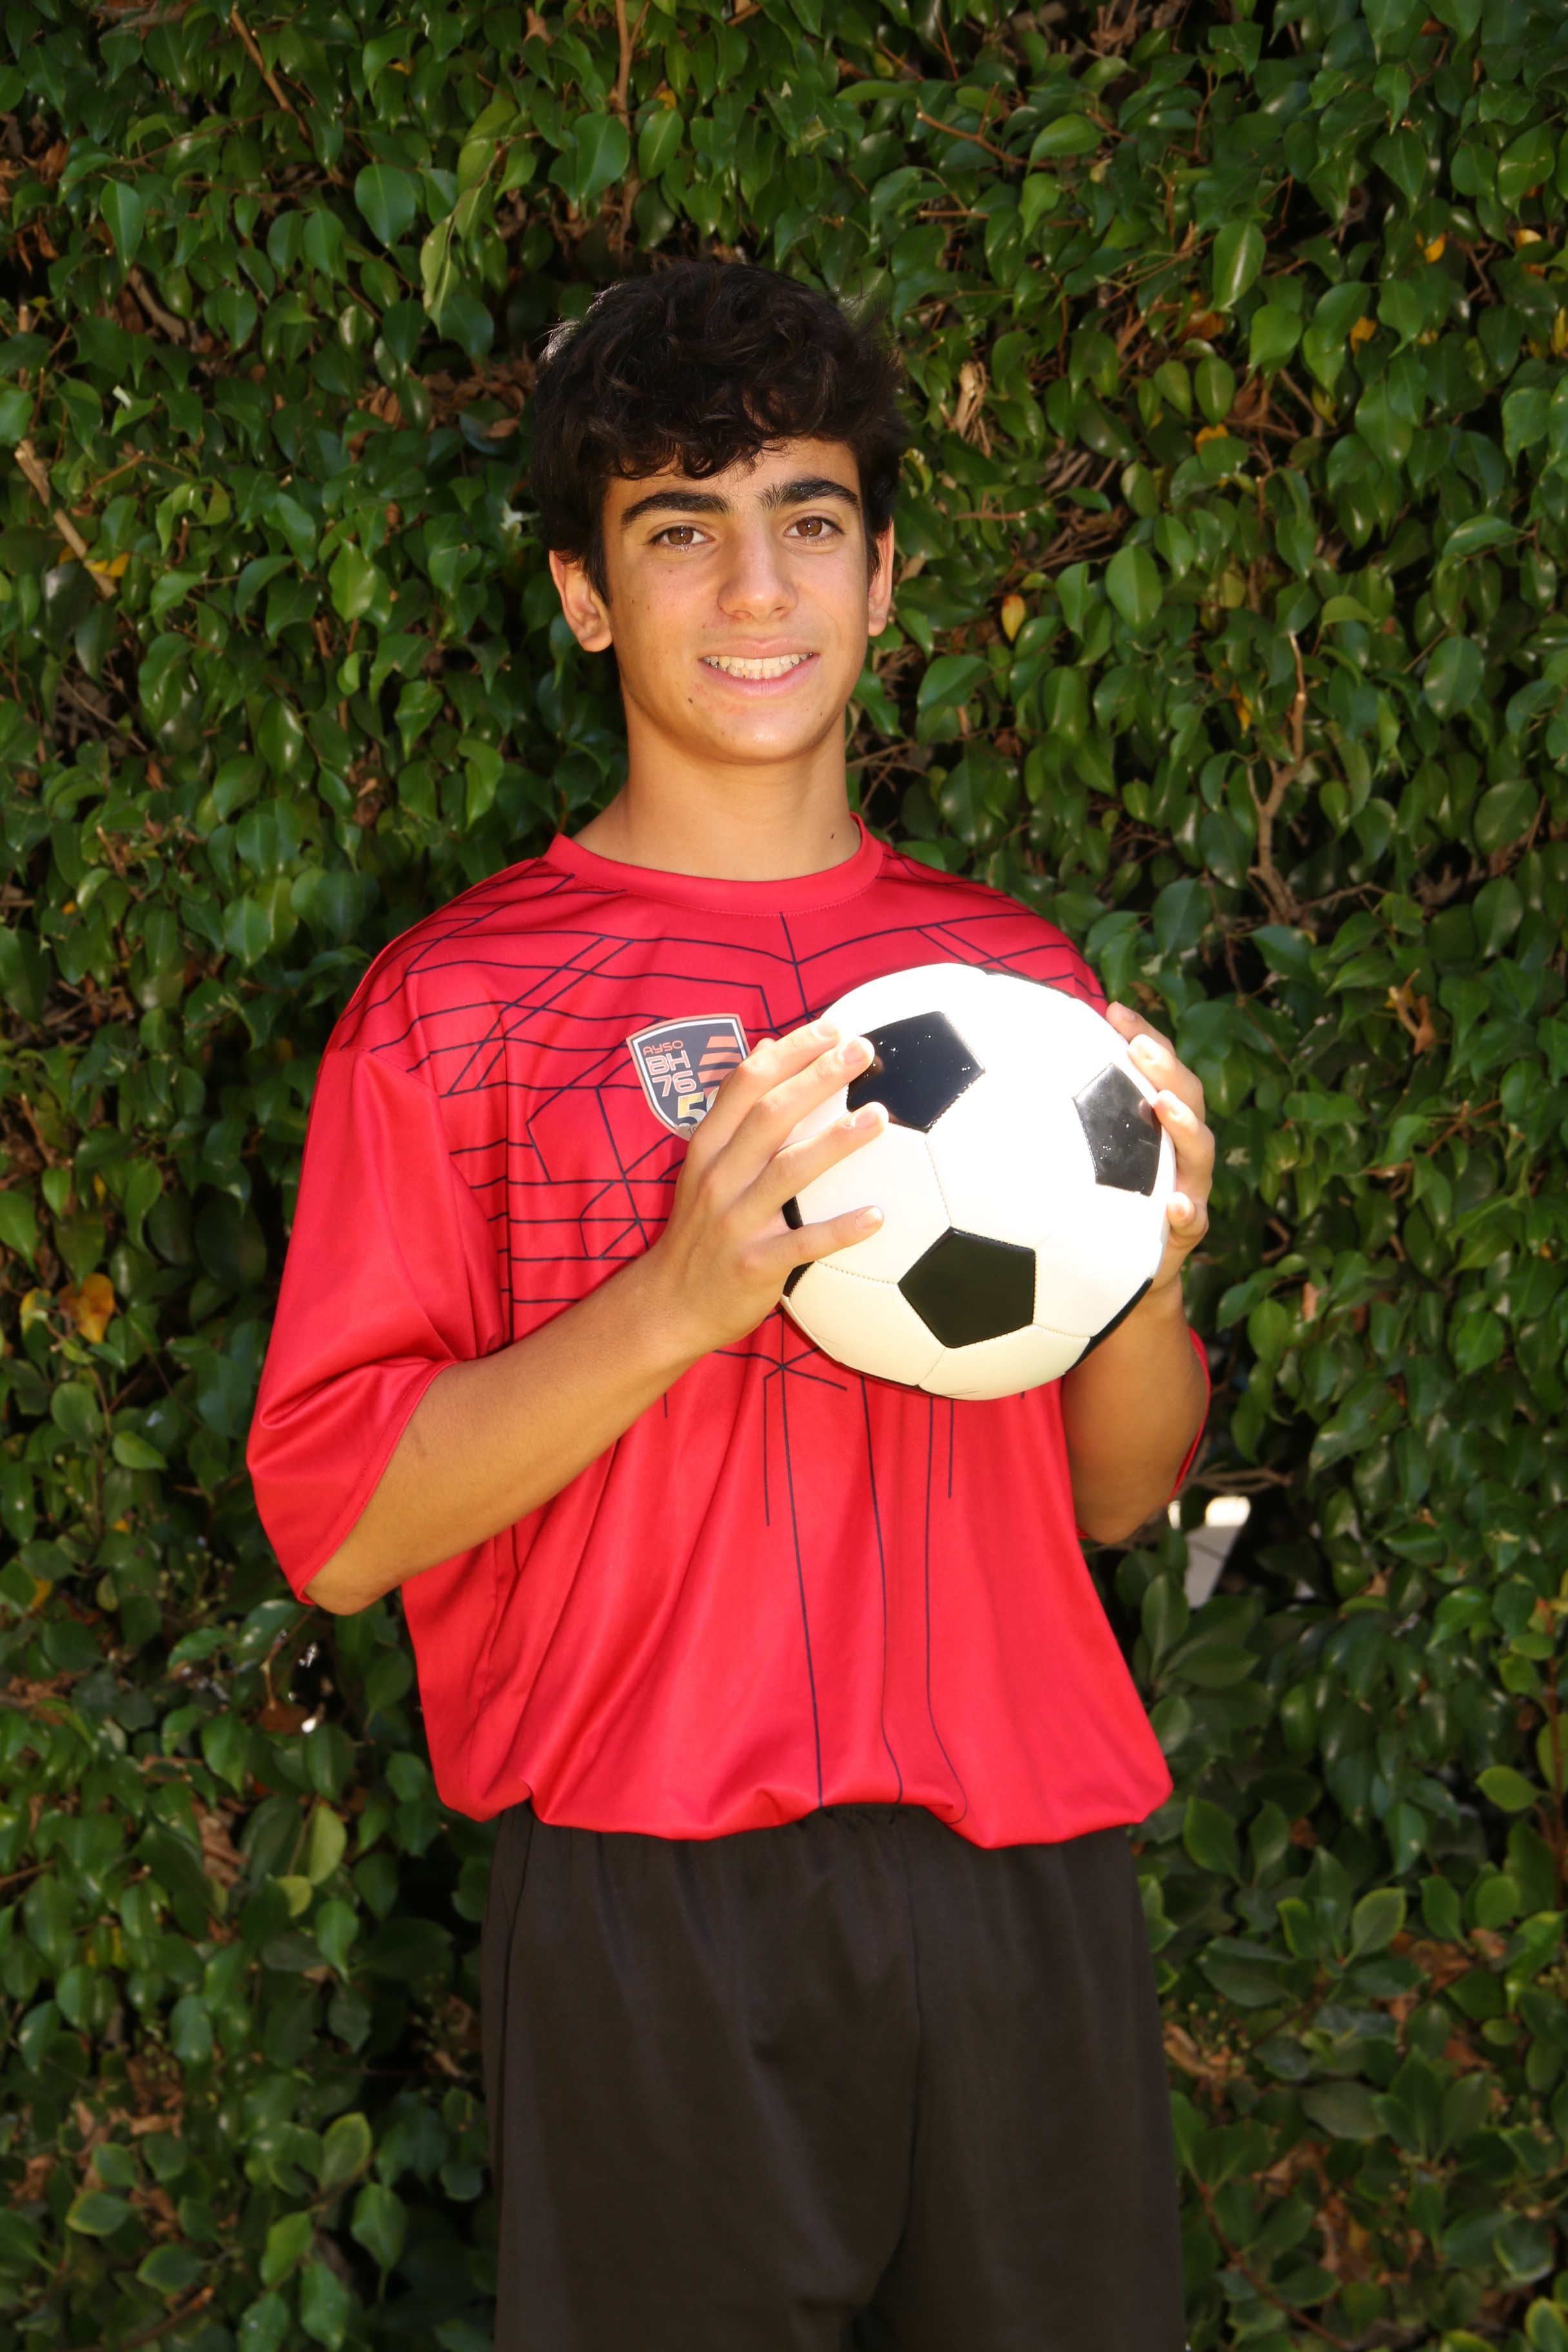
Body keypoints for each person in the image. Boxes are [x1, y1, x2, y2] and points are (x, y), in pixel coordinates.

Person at [248, 259, 1214, 2352]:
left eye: (808, 518)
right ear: (586, 596)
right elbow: (341, 1528)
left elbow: (1117, 1496)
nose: (756, 588)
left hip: (1020, 1874)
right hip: (650, 1893)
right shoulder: (452, 1008)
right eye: (681, 529)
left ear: (886, 575)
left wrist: (1150, 1281)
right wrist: (677, 1301)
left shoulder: (1018, 993)